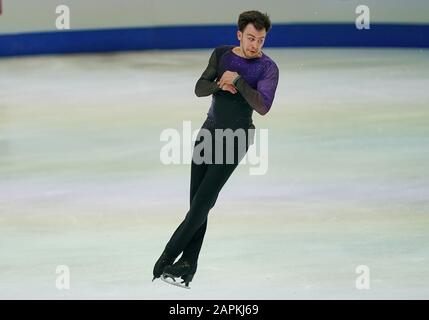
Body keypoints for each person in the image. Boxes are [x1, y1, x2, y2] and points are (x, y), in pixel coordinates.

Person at [152, 10, 279, 288]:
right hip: (207, 134)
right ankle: (188, 266)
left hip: (236, 139)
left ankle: (166, 258)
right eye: (250, 38)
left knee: (203, 203)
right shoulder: (222, 55)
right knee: (197, 204)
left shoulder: (268, 68)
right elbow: (199, 88)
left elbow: (263, 105)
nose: (255, 44)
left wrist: (238, 81)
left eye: (260, 39)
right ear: (239, 35)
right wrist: (218, 84)